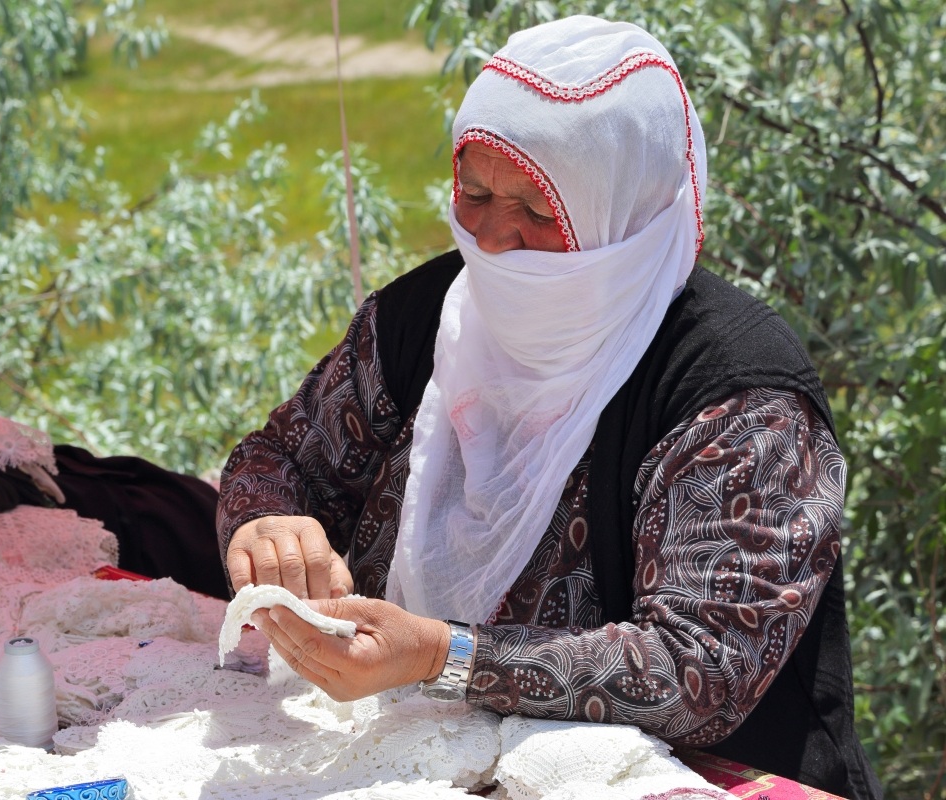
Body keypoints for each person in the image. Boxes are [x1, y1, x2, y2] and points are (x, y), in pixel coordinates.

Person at [216, 16, 881, 799]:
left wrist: (442, 657)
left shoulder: (739, 397)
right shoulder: (424, 318)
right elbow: (279, 459)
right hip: (424, 760)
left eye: (539, 209)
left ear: (623, 211)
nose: (494, 237)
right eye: (474, 192)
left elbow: (697, 669)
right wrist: (266, 524)